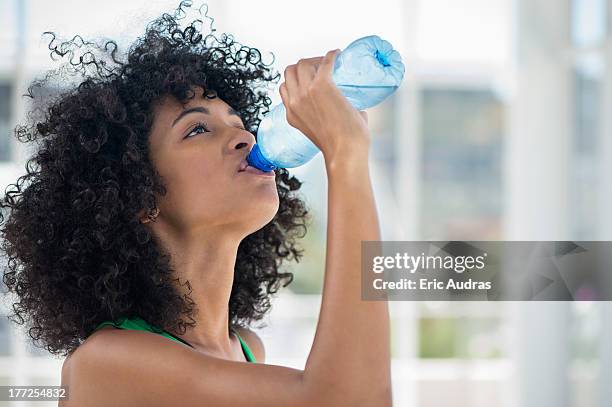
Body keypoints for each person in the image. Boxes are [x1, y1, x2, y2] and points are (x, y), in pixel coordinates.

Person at [0, 1, 391, 406]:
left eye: (238, 123)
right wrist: (345, 157)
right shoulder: (105, 363)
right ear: (141, 194)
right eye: (198, 129)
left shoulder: (247, 350)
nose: (245, 139)